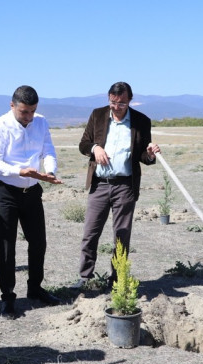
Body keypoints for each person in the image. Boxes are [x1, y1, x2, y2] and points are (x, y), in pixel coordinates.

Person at [70, 81, 160, 290]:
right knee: (90, 233)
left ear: (129, 100)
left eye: (121, 103)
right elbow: (83, 145)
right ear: (108, 99)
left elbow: (142, 156)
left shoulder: (141, 121)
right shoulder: (97, 115)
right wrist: (95, 148)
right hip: (99, 184)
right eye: (113, 102)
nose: (116, 107)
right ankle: (85, 277)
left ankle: (117, 279)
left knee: (121, 234)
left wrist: (150, 153)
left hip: (125, 186)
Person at [0, 85, 63, 320]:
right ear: (12, 106)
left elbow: (48, 150)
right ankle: (8, 297)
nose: (28, 117)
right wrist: (21, 171)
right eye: (23, 112)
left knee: (38, 242)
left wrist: (49, 171)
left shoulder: (41, 122)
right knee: (7, 247)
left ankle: (35, 288)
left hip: (32, 191)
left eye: (32, 111)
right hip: (5, 191)